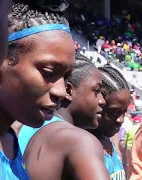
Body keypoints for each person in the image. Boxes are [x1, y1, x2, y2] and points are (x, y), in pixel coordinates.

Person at [0, 1, 75, 179]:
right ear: (3, 59)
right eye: (48, 72)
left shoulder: (9, 141)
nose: (61, 92)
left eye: (66, 76)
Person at [18, 54, 110, 180]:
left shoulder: (26, 128)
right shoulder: (79, 140)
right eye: (97, 91)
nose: (102, 101)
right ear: (68, 90)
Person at [88, 65, 131, 180]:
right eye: (113, 113)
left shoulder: (107, 139)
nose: (121, 120)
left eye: (124, 112)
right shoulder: (84, 147)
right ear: (98, 104)